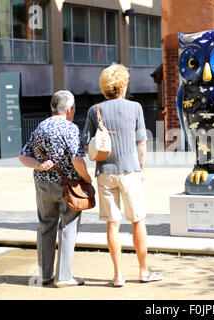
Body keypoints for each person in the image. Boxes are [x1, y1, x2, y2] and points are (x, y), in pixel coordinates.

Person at [82, 63, 163, 287]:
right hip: (130, 171)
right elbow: (142, 143)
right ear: (123, 84)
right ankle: (144, 271)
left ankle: (118, 275)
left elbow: (85, 142)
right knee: (138, 221)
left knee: (112, 224)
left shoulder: (94, 110)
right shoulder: (135, 107)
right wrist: (141, 170)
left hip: (105, 173)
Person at [19, 90, 91, 288]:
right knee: (68, 226)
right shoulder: (71, 128)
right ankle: (64, 276)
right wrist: (86, 178)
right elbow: (77, 159)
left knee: (45, 225)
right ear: (69, 109)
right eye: (74, 107)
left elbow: (23, 156)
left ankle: (44, 275)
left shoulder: (40, 127)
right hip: (67, 186)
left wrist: (38, 165)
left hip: (42, 184)